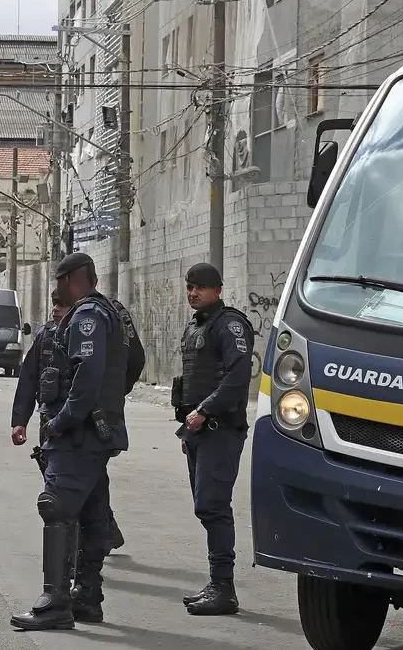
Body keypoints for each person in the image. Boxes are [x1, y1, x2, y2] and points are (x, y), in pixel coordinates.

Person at [10, 252, 131, 631]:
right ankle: (87, 598)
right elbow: (132, 363)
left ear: (67, 280)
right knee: (94, 514)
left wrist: (63, 421)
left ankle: (55, 602)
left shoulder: (87, 316)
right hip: (97, 433)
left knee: (56, 506)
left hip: (78, 434)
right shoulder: (112, 314)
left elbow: (87, 376)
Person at [171, 262, 253, 616]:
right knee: (205, 507)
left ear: (218, 290)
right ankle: (217, 583)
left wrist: (204, 410)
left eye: (200, 288)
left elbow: (237, 378)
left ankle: (224, 589)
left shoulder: (230, 325)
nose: (193, 293)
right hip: (199, 431)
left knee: (213, 506)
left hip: (220, 429)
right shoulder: (196, 326)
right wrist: (190, 426)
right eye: (189, 287)